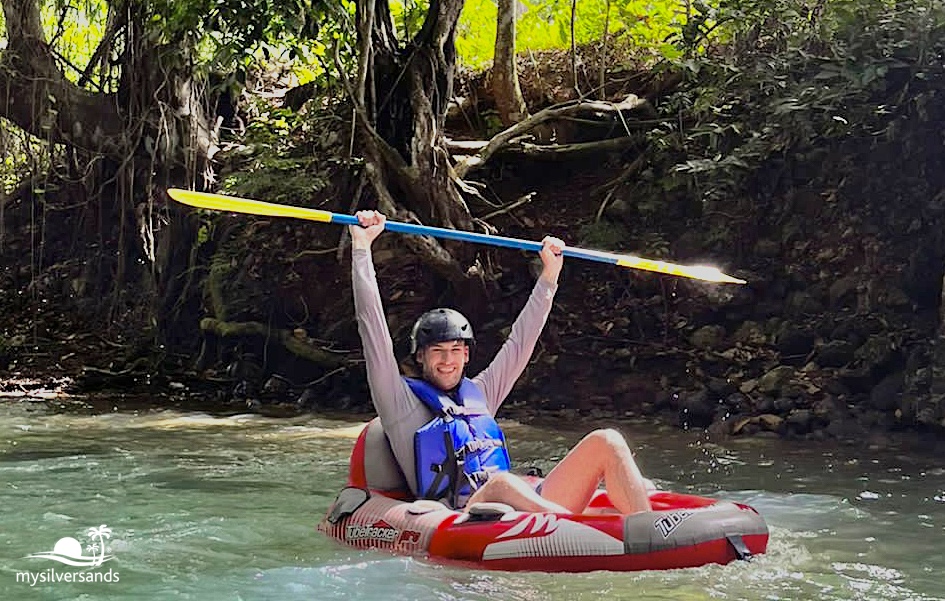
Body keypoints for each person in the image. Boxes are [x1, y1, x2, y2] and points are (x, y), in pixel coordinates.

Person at [350, 209, 652, 515]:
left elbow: (521, 342)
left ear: (466, 355)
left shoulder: (481, 392)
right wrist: (362, 247)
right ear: (420, 356)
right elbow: (371, 327)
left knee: (607, 441)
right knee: (501, 484)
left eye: (455, 350)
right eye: (437, 351)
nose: (447, 360)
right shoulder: (398, 402)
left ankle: (647, 530)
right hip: (464, 513)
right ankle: (571, 523)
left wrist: (549, 275)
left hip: (519, 510)